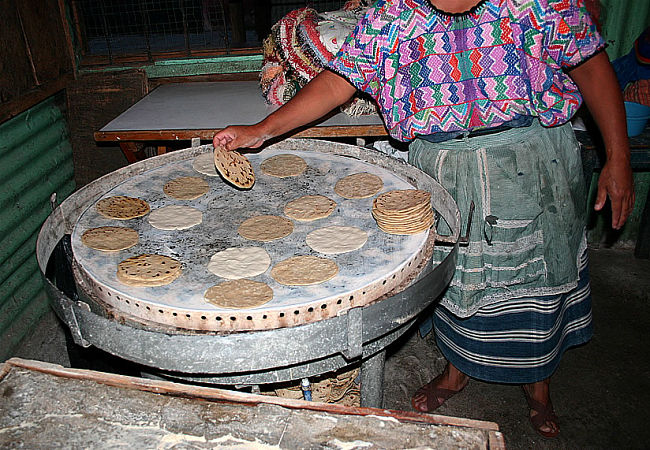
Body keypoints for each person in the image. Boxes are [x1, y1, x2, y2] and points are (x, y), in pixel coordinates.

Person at [213, 0, 635, 438]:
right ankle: (457, 371)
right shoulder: (392, 16)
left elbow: (590, 65)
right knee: (456, 277)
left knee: (534, 280)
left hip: (531, 161)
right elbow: (340, 80)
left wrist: (617, 157)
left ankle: (538, 383)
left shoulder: (539, 4)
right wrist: (263, 129)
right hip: (444, 166)